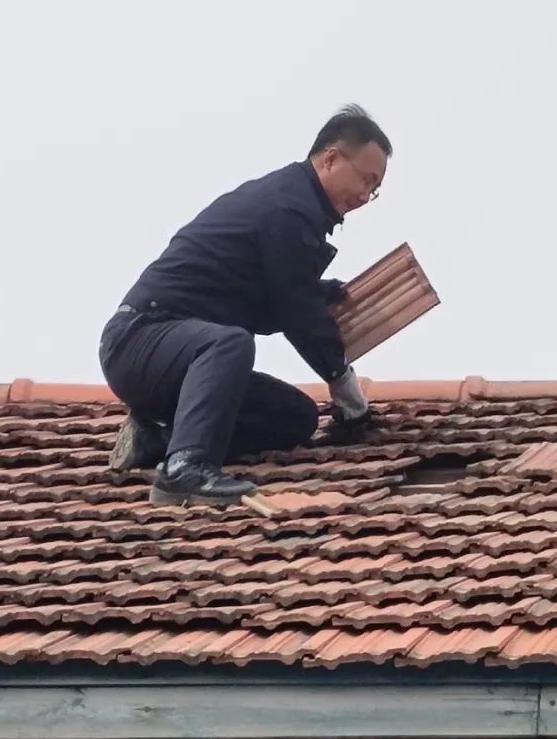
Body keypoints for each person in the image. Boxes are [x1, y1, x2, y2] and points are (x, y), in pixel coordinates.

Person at [99, 104, 390, 506]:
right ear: (331, 159)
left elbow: (276, 298)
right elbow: (295, 311)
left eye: (373, 190)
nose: (364, 195)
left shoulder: (294, 211)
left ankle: (159, 441)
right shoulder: (288, 207)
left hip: (181, 361)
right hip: (140, 340)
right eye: (365, 180)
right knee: (230, 344)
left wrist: (320, 294)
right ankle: (183, 469)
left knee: (295, 417)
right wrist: (345, 386)